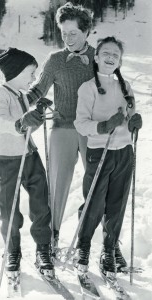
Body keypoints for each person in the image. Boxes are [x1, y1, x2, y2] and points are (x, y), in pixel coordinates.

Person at [26, 1, 94, 249]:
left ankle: (88, 237)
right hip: (62, 127)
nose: (68, 38)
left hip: (92, 130)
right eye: (63, 33)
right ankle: (52, 235)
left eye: (73, 33)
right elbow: (39, 88)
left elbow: (113, 92)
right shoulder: (55, 59)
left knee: (97, 184)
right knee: (57, 184)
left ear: (86, 31)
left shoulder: (99, 58)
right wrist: (19, 101)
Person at [74, 36, 142, 277]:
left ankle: (109, 249)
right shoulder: (88, 88)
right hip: (99, 151)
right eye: (107, 53)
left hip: (124, 152)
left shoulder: (125, 87)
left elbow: (131, 113)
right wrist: (103, 126)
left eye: (116, 54)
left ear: (120, 61)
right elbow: (81, 124)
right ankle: (83, 246)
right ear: (97, 57)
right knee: (94, 201)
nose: (111, 57)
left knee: (116, 204)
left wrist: (135, 121)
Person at [0, 47, 55, 277]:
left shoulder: (23, 96)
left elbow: (27, 125)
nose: (33, 79)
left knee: (41, 203)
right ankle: (12, 250)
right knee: (9, 210)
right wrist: (21, 122)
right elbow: (2, 122)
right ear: (16, 72)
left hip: (29, 156)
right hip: (7, 160)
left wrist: (37, 111)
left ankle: (43, 248)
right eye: (31, 74)